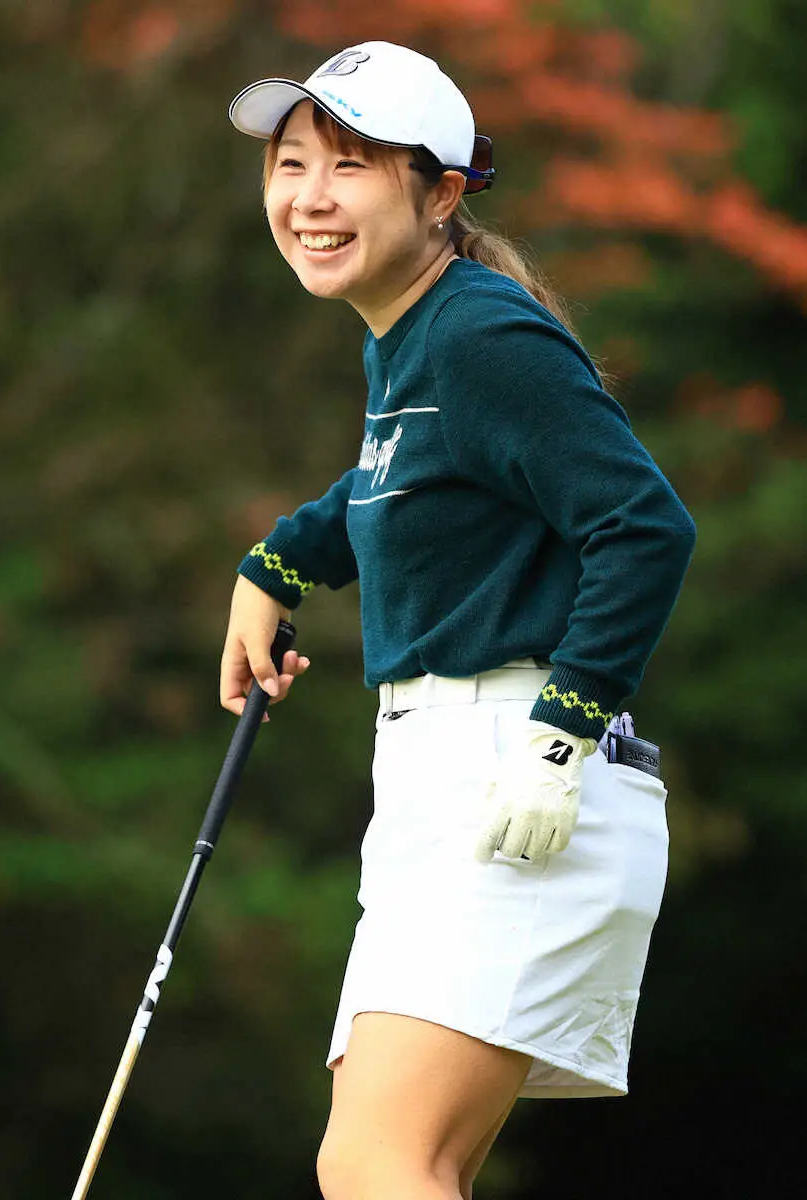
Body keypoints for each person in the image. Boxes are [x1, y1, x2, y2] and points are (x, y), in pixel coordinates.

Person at [221, 40, 696, 1200]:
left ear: (439, 194)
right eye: (290, 164)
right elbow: (404, 481)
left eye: (349, 166)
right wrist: (278, 563)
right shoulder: (411, 341)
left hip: (514, 778)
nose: (309, 197)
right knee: (394, 1167)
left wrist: (559, 731)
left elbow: (642, 525)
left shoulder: (477, 333)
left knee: (376, 1163)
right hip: (441, 787)